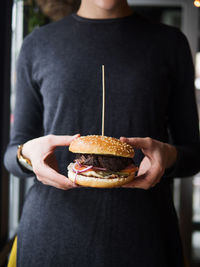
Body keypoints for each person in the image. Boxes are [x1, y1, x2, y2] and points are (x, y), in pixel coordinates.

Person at [4, 0, 200, 266]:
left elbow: (194, 154)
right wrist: (27, 154)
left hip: (144, 239)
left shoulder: (170, 43)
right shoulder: (38, 42)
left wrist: (169, 155)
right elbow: (12, 152)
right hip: (52, 238)